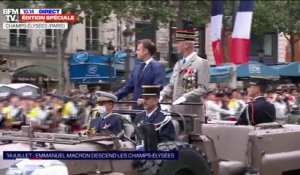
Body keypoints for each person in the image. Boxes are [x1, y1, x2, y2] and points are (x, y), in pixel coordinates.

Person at [160, 27, 210, 121]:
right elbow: (172, 84)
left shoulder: (201, 63)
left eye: (178, 42)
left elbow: (203, 88)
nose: (176, 45)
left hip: (192, 115)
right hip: (176, 113)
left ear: (186, 44)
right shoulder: (178, 64)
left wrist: (185, 97)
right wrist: (162, 94)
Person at [114, 39, 165, 109]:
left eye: (138, 50)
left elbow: (157, 86)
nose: (136, 52)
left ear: (145, 51)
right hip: (136, 109)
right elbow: (128, 87)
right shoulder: (136, 68)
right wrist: (112, 97)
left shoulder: (157, 66)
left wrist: (146, 100)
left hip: (150, 109)